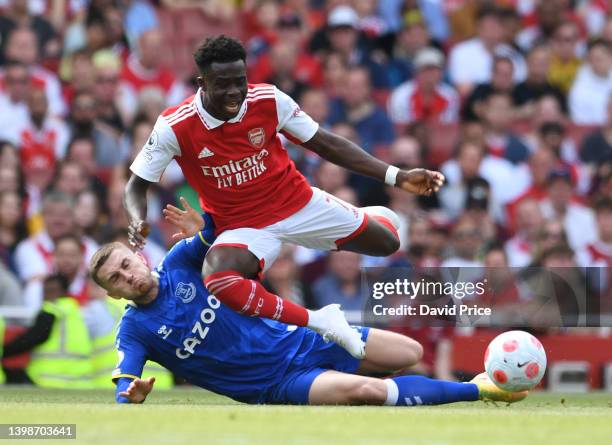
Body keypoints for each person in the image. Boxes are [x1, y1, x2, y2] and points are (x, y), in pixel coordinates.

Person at [124, 35, 444, 332]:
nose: (235, 91)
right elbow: (136, 185)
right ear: (202, 83)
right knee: (218, 277)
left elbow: (326, 143)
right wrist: (138, 219)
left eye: (240, 81)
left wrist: (397, 176)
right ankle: (317, 321)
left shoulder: (269, 100)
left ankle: (368, 215)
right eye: (223, 84)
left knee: (388, 243)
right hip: (241, 227)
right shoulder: (174, 126)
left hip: (298, 204)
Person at [88, 215, 526, 406]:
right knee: (367, 392)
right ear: (112, 293)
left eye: (126, 265)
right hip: (276, 382)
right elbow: (124, 380)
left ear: (138, 256)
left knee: (409, 353)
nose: (127, 276)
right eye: (116, 280)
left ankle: (387, 388)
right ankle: (482, 389)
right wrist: (130, 396)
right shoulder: (135, 330)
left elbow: (226, 225)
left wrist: (203, 227)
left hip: (304, 336)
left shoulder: (182, 260)